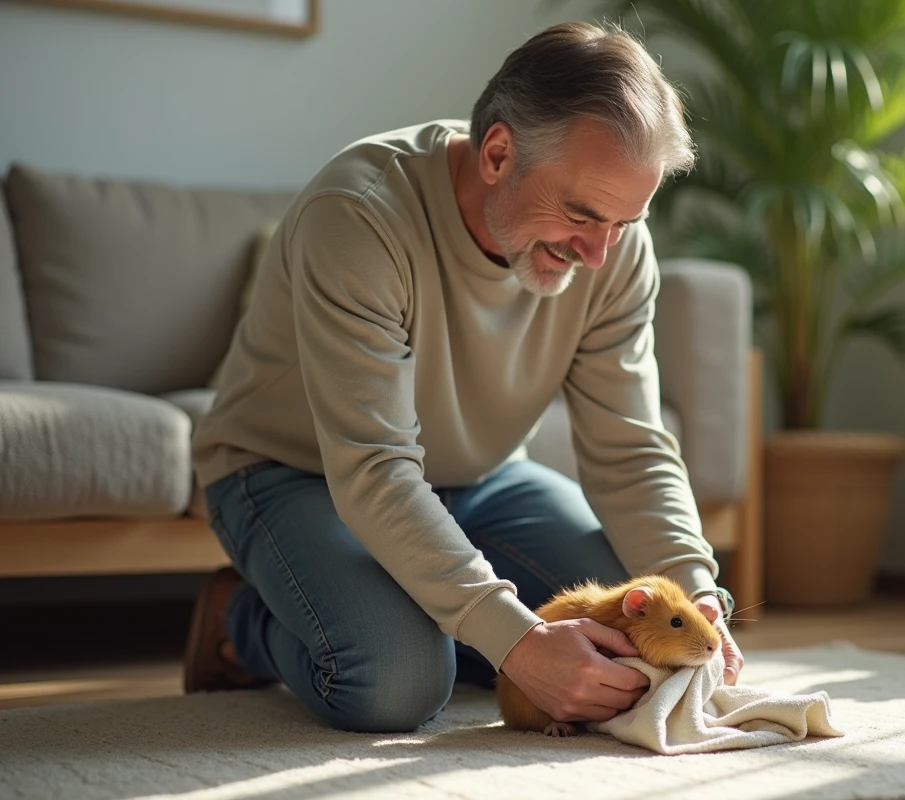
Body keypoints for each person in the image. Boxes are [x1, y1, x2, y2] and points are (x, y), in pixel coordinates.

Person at [183, 20, 743, 734]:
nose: (600, 255)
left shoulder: (616, 252)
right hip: (294, 474)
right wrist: (516, 640)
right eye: (580, 214)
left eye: (625, 222)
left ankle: (410, 603)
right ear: (498, 153)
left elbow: (632, 449)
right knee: (399, 682)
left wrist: (696, 596)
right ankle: (241, 624)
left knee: (625, 628)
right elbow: (376, 469)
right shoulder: (359, 218)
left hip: (481, 481)